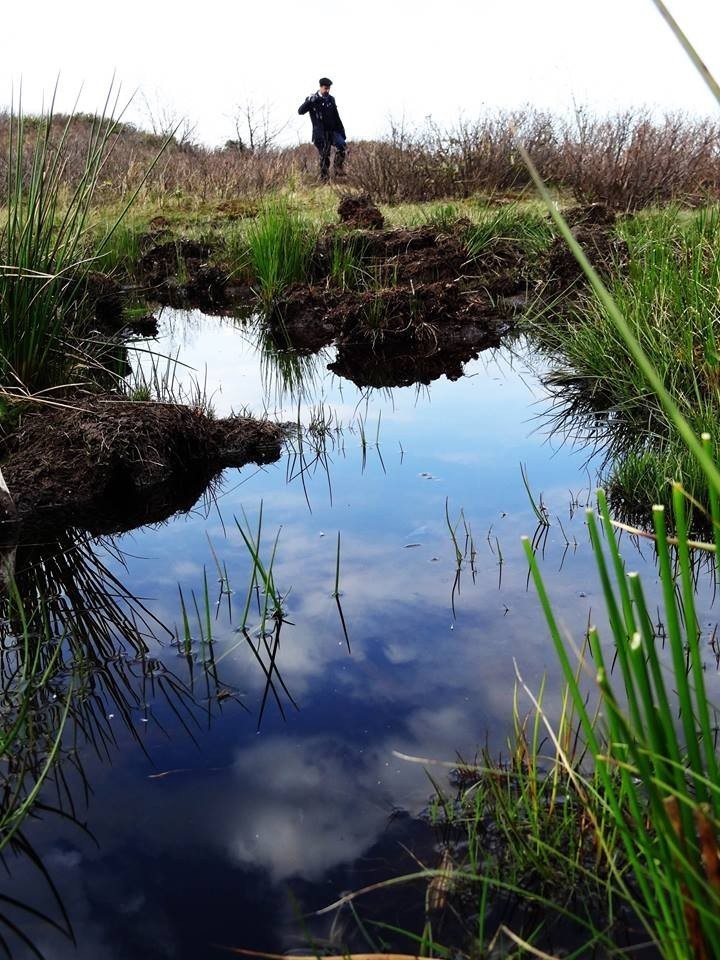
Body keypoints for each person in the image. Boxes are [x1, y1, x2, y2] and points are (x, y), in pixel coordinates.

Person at [298, 77, 346, 181]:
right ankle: (324, 179)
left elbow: (336, 116)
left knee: (343, 147)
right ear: (320, 87)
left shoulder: (331, 99)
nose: (327, 91)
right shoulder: (313, 99)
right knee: (325, 155)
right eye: (325, 88)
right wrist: (309, 101)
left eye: (329, 88)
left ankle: (338, 168)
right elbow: (300, 111)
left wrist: (342, 131)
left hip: (333, 131)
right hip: (320, 133)